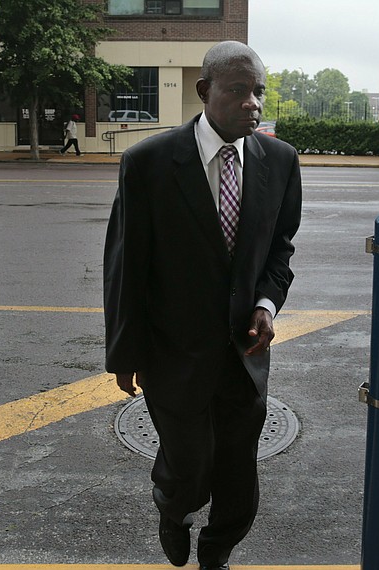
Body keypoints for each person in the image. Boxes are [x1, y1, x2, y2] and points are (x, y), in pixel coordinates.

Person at [103, 41, 302, 570]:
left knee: (240, 484)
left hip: (244, 354)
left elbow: (280, 247)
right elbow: (127, 264)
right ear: (204, 91)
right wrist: (125, 352)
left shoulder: (280, 161)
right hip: (173, 354)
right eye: (238, 91)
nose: (252, 104)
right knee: (188, 469)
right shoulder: (148, 162)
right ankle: (174, 510)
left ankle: (217, 552)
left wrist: (266, 303)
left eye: (258, 91)